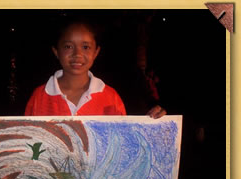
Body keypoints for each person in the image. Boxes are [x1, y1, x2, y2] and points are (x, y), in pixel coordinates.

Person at [24, 16, 166, 118]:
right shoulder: (39, 96)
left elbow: (123, 141)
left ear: (96, 52)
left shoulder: (111, 98)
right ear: (56, 51)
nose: (77, 54)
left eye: (86, 47)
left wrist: (153, 122)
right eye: (68, 46)